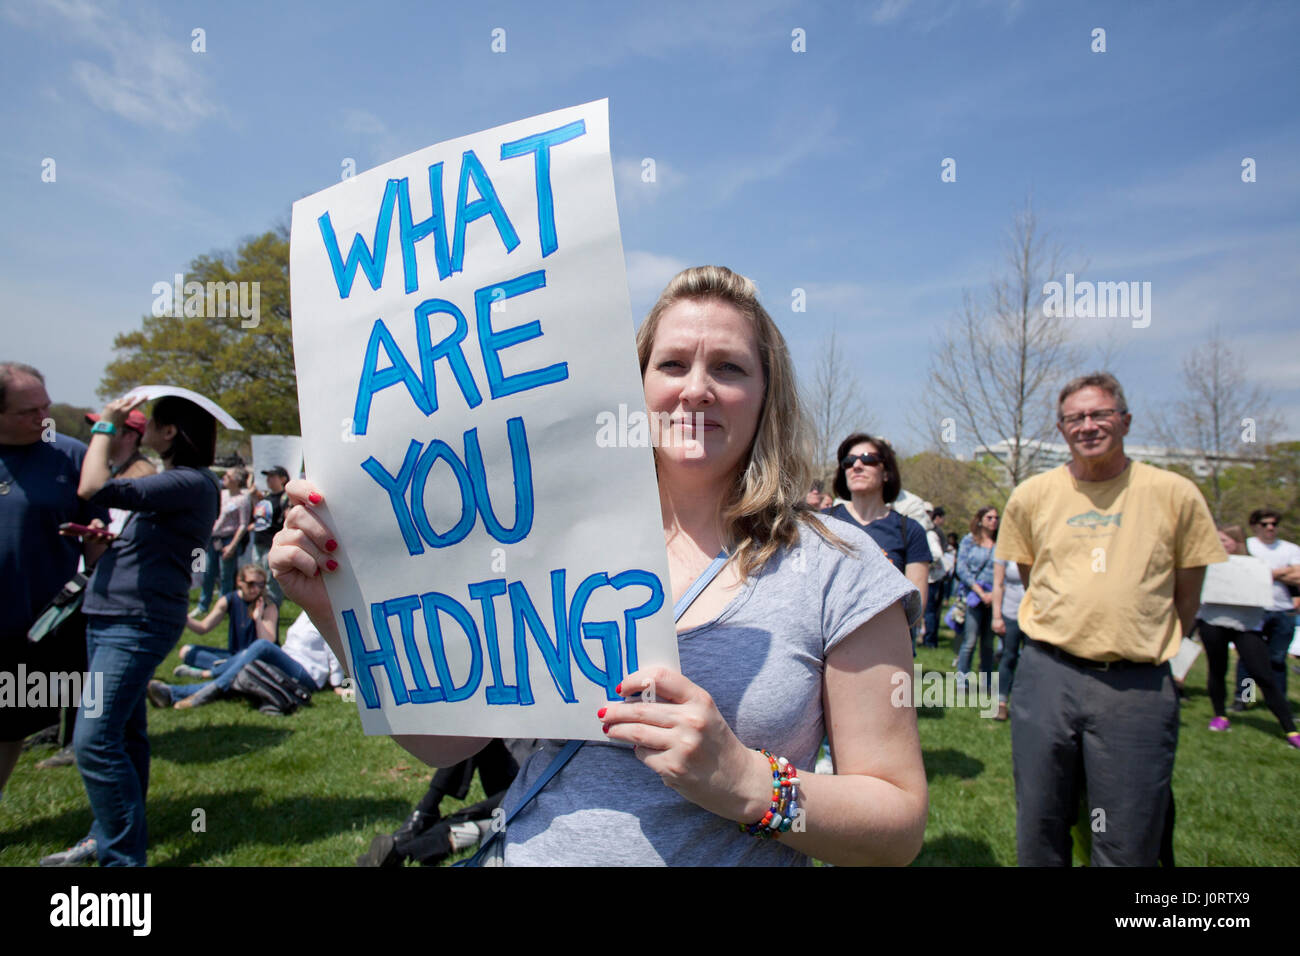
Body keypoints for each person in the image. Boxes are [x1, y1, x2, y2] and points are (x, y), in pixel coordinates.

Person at [271, 265, 927, 866]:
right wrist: (337, 611)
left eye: (728, 368)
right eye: (672, 364)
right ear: (636, 384)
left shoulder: (839, 568)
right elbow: (449, 744)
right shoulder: (546, 536)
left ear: (766, 395)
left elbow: (897, 828)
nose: (696, 389)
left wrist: (746, 781)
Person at [996, 372, 1225, 866]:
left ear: (1125, 420)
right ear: (1060, 429)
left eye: (1100, 413)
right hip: (1047, 675)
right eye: (1075, 417)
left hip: (1137, 686)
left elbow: (1188, 592)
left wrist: (1137, 636)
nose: (1088, 425)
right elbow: (1031, 573)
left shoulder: (1174, 493)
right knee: (1040, 821)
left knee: (1128, 832)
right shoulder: (1032, 495)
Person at [45, 393, 221, 867]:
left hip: (136, 622)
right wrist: (105, 544)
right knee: (123, 735)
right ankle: (105, 839)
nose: (140, 432)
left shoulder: (190, 482)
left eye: (151, 425)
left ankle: (120, 859)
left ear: (169, 433)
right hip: (110, 614)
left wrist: (106, 425)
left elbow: (93, 488)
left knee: (93, 741)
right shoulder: (176, 482)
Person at [0, 363, 108, 797]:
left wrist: (99, 540)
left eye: (46, 405)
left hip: (38, 626)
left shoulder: (71, 457)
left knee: (9, 727)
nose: (44, 417)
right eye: (29, 411)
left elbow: (97, 530)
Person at [826, 433, 931, 647]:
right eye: (848, 461)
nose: (856, 465)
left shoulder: (910, 530)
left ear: (886, 473)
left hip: (886, 650)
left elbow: (915, 606)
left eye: (868, 459)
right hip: (827, 648)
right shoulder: (820, 523)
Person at [1198, 526, 1299, 746]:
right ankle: (1225, 711)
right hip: (1214, 622)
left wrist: (1275, 573)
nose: (1221, 544)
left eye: (1224, 540)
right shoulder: (1209, 562)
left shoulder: (1255, 564)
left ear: (1237, 541)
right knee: (1218, 669)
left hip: (1248, 625)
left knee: (1266, 672)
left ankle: (1289, 728)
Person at [149, 609, 342, 710]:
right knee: (242, 671)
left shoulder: (333, 614)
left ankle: (213, 684)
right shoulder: (307, 611)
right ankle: (172, 693)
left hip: (307, 674)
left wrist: (338, 684)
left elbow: (338, 649)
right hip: (288, 661)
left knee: (262, 647)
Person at [1232, 509, 1300, 709]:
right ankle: (1244, 698)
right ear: (1254, 526)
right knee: (1247, 658)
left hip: (1284, 610)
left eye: (1274, 524)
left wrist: (1265, 572)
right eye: (1264, 524)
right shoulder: (1247, 546)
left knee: (1277, 659)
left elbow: (1298, 576)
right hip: (1254, 609)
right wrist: (1285, 572)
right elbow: (1243, 572)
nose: (1270, 528)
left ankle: (1278, 702)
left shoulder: (1290, 549)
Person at [177, 563, 279, 672]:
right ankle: (228, 667)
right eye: (251, 584)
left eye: (261, 585)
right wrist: (181, 616)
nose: (256, 589)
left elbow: (267, 642)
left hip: (260, 657)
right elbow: (203, 628)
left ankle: (220, 668)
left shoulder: (268, 606)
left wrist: (258, 619)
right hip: (235, 655)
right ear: (240, 581)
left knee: (245, 657)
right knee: (186, 651)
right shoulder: (229, 600)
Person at [195, 466, 251, 615]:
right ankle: (203, 606)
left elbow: (243, 524)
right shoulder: (222, 494)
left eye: (228, 475)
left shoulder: (243, 499)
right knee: (207, 572)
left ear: (237, 480)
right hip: (213, 539)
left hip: (228, 540)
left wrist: (233, 546)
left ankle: (222, 607)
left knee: (226, 576)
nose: (224, 477)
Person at [954, 506, 998, 680]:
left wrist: (993, 594)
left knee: (988, 643)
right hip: (973, 596)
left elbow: (1005, 569)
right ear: (980, 519)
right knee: (970, 641)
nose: (994, 521)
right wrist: (979, 592)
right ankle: (962, 680)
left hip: (994, 596)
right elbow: (962, 568)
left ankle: (986, 681)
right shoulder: (969, 540)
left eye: (996, 518)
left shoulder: (1000, 544)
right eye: (989, 517)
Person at [990, 557, 1025, 721]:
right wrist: (996, 616)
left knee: (1032, 661)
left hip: (1035, 615)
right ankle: (1001, 702)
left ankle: (1027, 702)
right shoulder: (1005, 550)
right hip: (1010, 612)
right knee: (1008, 656)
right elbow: (998, 583)